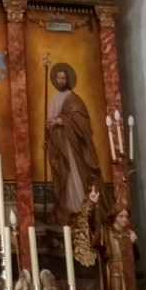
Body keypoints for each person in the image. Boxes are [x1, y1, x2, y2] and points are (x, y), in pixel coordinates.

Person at [45, 63, 102, 225]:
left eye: (63, 78)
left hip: (72, 146)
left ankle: (80, 207)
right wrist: (49, 128)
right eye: (58, 78)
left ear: (68, 80)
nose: (61, 80)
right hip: (59, 143)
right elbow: (51, 119)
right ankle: (68, 207)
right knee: (64, 175)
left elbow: (82, 121)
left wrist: (61, 121)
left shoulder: (74, 99)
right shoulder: (55, 98)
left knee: (75, 173)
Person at [83, 186, 140, 290]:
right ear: (114, 218)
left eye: (126, 216)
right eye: (121, 216)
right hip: (114, 276)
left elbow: (136, 258)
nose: (124, 219)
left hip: (128, 275)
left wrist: (132, 243)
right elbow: (92, 225)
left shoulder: (129, 234)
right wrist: (92, 204)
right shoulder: (107, 232)